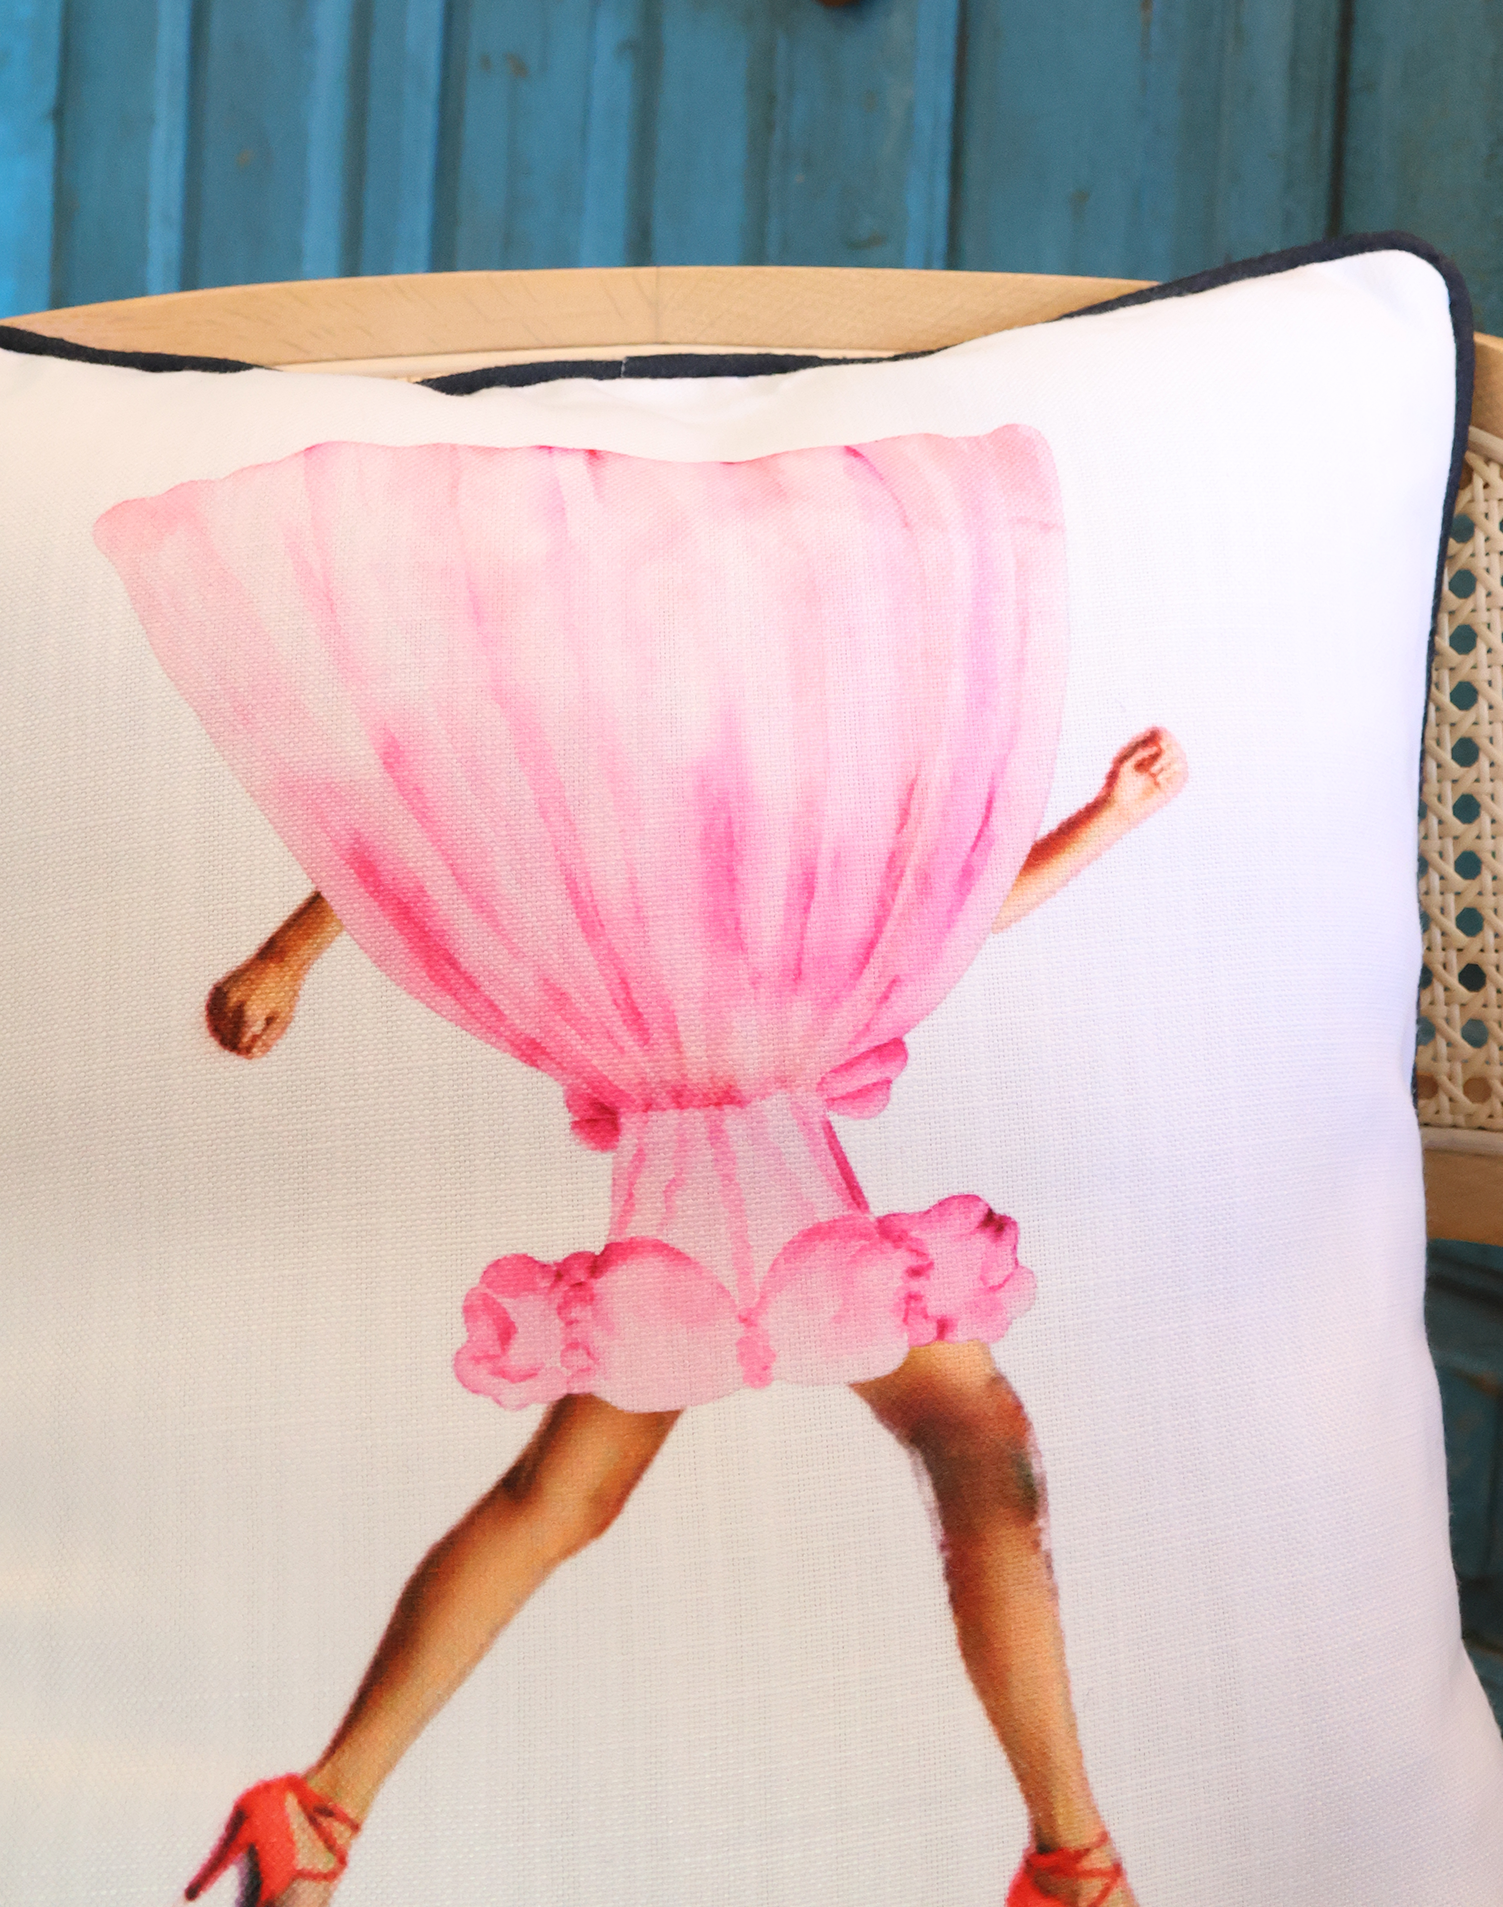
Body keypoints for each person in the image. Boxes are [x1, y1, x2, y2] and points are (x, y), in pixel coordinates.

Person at [186, 727, 1188, 1907]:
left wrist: (1108, 815)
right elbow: (429, 820)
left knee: (556, 1500)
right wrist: (283, 956)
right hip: (765, 1219)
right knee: (974, 1456)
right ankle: (1073, 1864)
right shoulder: (605, 754)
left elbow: (936, 926)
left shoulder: (773, 790)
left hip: (713, 1222)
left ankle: (317, 1814)